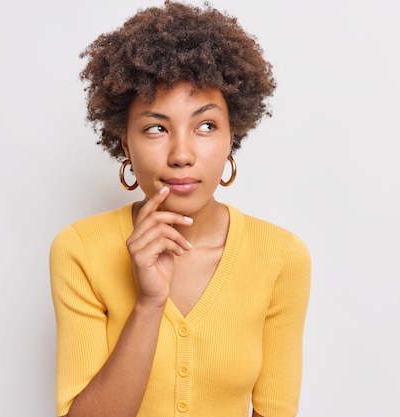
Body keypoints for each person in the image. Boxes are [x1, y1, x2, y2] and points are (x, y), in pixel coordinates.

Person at [49, 1, 311, 416]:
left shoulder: (280, 256)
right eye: (156, 128)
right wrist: (148, 304)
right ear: (124, 143)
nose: (182, 154)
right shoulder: (80, 249)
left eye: (206, 125)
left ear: (232, 135)